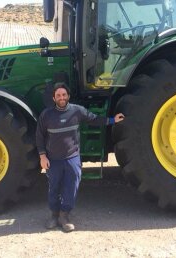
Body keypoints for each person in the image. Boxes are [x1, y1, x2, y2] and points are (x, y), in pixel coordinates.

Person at [36, 83, 124, 232]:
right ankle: (54, 215)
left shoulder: (77, 111)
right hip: (54, 159)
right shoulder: (46, 115)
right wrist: (42, 156)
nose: (61, 97)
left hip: (72, 158)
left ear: (68, 96)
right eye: (58, 95)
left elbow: (94, 119)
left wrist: (112, 120)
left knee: (72, 187)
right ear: (53, 98)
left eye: (64, 95)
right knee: (54, 188)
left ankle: (64, 216)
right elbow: (39, 136)